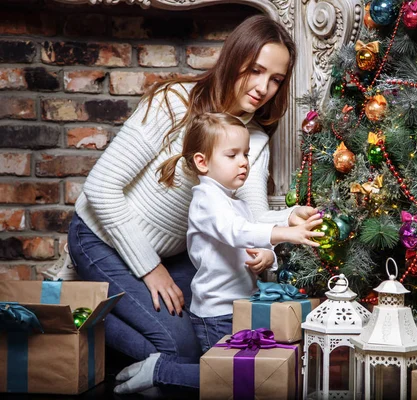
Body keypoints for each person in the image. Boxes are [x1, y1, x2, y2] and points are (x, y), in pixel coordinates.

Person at [67, 15, 316, 394]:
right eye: (256, 70)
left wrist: (290, 218)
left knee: (204, 344)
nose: (264, 88)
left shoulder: (254, 139)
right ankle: (84, 309)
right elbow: (101, 189)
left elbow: (250, 217)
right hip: (100, 237)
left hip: (172, 254)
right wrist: (150, 270)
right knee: (176, 348)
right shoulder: (173, 102)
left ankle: (141, 349)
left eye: (276, 79)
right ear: (235, 60)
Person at [158, 112, 323, 353]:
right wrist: (288, 233)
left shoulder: (237, 203)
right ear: (202, 162)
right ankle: (159, 370)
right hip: (216, 314)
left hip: (243, 307)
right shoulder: (205, 200)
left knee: (239, 376)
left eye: (245, 153)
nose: (244, 161)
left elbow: (251, 238)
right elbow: (237, 232)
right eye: (232, 155)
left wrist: (268, 257)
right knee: (221, 381)